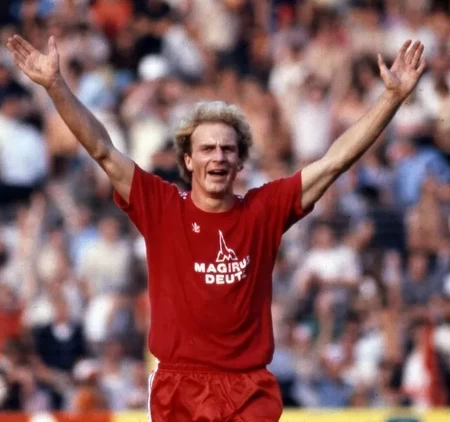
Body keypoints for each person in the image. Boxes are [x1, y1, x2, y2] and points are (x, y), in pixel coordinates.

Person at [7, 34, 426, 421]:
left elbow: (334, 162)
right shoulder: (161, 206)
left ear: (241, 162)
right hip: (179, 387)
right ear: (187, 160)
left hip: (248, 388)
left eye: (228, 149)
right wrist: (55, 85)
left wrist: (390, 98)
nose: (219, 157)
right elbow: (101, 149)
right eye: (207, 148)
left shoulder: (264, 210)